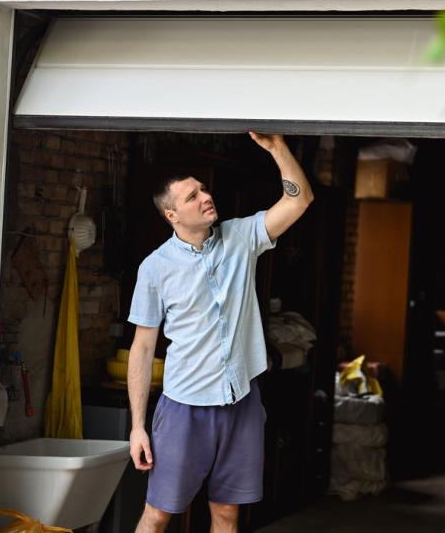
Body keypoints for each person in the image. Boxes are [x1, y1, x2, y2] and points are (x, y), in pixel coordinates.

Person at [126, 132, 313, 533]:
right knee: (158, 514)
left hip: (241, 401)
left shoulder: (241, 238)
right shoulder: (155, 269)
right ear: (171, 215)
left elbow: (299, 200)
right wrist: (138, 426)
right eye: (192, 196)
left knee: (227, 513)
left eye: (204, 189)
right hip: (183, 408)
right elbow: (142, 350)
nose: (205, 197)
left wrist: (277, 148)